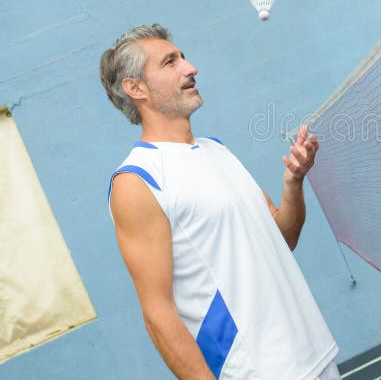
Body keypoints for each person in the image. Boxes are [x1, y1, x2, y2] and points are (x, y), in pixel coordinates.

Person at [100, 24, 339, 379]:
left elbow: (282, 238)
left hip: (313, 355)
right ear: (135, 89)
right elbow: (157, 313)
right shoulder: (137, 180)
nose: (190, 67)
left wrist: (294, 182)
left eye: (183, 56)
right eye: (170, 62)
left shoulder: (217, 150)